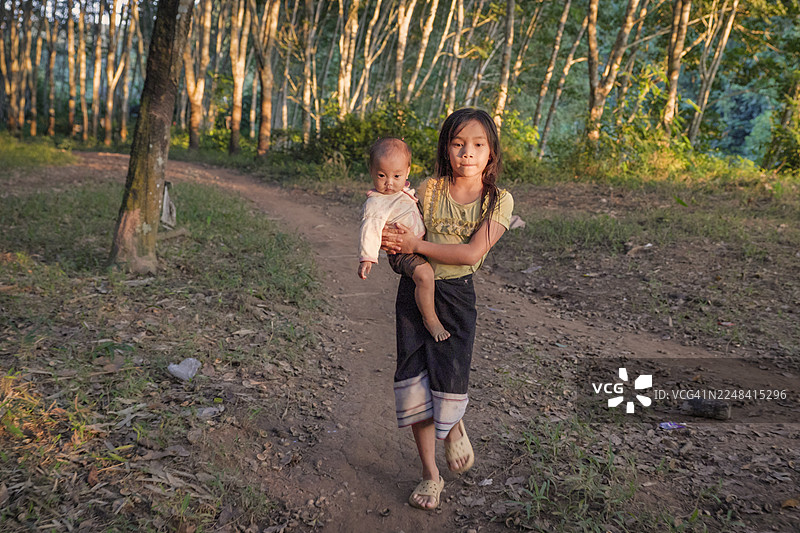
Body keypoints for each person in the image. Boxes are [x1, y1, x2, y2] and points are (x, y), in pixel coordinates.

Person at [382, 108, 514, 511]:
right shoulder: (429, 188)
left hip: (456, 297)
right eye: (458, 144)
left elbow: (471, 251)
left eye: (477, 145)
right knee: (414, 380)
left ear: (491, 153)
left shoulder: (499, 200)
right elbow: (401, 226)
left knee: (449, 374)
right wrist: (391, 240)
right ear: (446, 148)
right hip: (414, 291)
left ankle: (454, 424)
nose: (467, 153)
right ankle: (430, 474)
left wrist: (416, 246)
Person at [358, 137, 450, 342]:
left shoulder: (404, 191)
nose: (389, 183)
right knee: (425, 275)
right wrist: (367, 257)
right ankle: (430, 319)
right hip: (401, 251)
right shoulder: (376, 203)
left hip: (416, 244)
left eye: (396, 175)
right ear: (372, 172)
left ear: (407, 172)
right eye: (381, 175)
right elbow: (369, 230)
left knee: (428, 273)